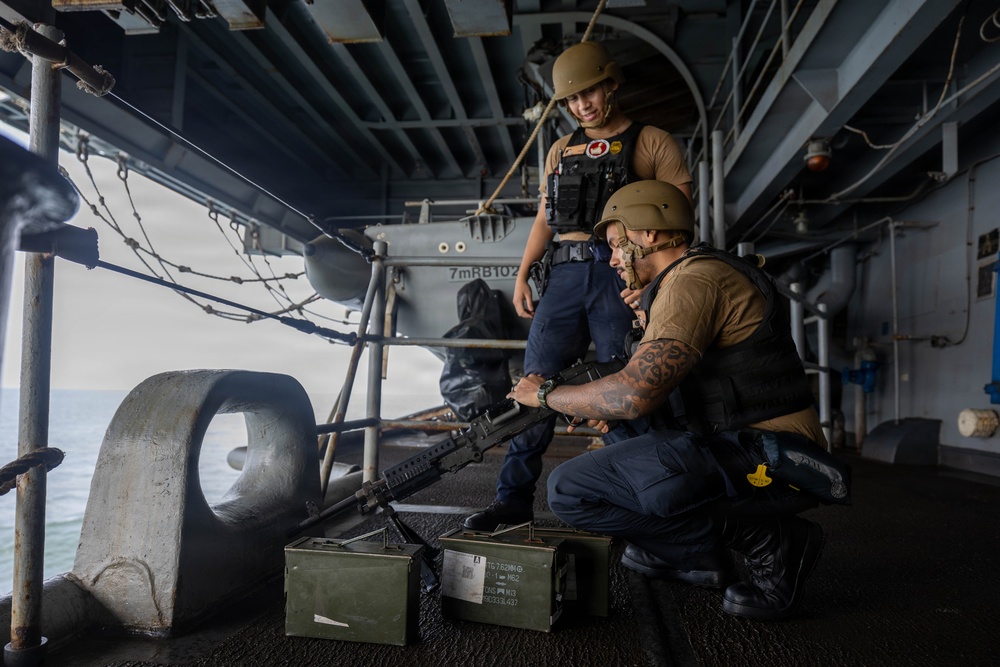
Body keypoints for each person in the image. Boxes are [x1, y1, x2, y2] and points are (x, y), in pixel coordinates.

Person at [507, 180, 851, 620]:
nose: (611, 259)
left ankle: (770, 540)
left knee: (570, 491)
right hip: (738, 439)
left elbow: (634, 394)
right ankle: (692, 553)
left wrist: (546, 394)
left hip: (773, 456)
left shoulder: (694, 280)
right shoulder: (681, 281)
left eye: (615, 244)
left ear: (649, 233)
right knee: (623, 433)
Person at [463, 40, 693, 532]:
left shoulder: (652, 141)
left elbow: (678, 219)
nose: (581, 104)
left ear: (611, 85)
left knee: (623, 386)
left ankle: (648, 503)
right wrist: (523, 273)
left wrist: (657, 283)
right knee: (533, 385)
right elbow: (545, 218)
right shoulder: (561, 149)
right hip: (564, 274)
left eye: (589, 92)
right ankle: (511, 501)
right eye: (571, 98)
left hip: (622, 273)